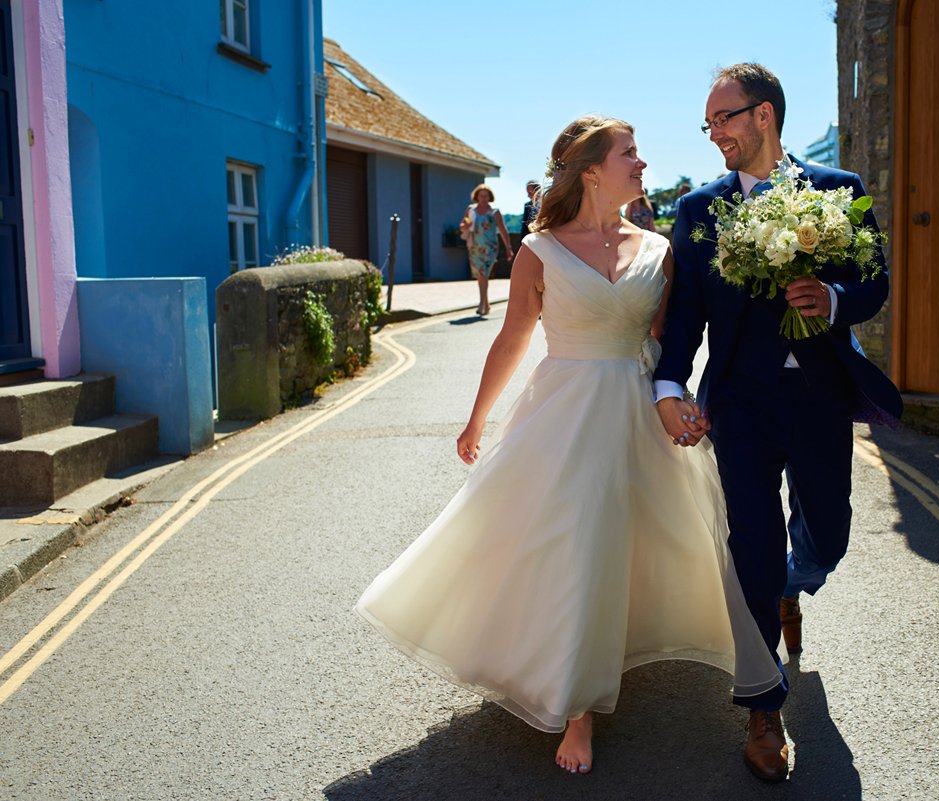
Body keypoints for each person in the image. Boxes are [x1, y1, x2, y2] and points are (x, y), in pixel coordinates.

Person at [357, 116, 783, 777]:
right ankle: (577, 707)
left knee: (639, 538)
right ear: (591, 171)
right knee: (577, 539)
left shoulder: (659, 248)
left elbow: (667, 341)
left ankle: (646, 647)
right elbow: (512, 339)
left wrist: (677, 398)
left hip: (636, 408)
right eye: (629, 154)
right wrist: (476, 420)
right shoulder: (539, 250)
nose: (641, 163)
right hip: (565, 413)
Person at [653, 63, 902, 782]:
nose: (714, 134)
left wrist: (832, 297)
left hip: (820, 396)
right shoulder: (699, 210)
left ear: (764, 115)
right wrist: (669, 385)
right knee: (751, 546)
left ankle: (796, 582)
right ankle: (764, 706)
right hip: (741, 403)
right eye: (708, 123)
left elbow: (874, 283)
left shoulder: (838, 190)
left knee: (830, 530)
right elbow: (686, 314)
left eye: (723, 118)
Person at [459, 185, 514, 315]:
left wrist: (508, 248)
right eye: (481, 196)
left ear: (490, 197)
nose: (483, 198)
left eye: (486, 196)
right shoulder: (471, 210)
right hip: (474, 247)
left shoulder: (495, 212)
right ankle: (486, 304)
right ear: (477, 196)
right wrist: (466, 225)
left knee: (484, 274)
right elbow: (462, 226)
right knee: (480, 276)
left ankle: (481, 305)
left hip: (490, 248)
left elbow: (503, 229)